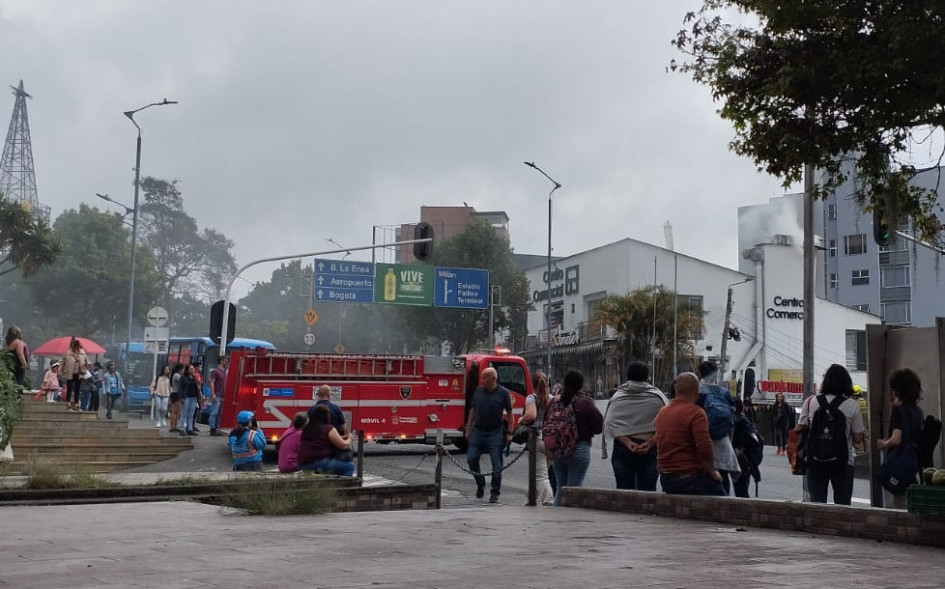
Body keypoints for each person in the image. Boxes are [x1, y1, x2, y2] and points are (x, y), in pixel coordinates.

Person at [796, 364, 865, 505]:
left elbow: (799, 430)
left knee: (817, 505)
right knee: (843, 506)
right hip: (843, 462)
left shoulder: (810, 402)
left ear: (825, 381)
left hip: (815, 461)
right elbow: (858, 438)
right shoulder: (852, 405)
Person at [652, 372, 726, 496]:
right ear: (696, 391)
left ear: (676, 390)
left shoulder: (662, 413)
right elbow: (704, 446)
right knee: (723, 500)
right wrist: (712, 472)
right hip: (691, 477)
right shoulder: (696, 413)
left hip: (667, 479)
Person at [601, 361, 668, 491]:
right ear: (647, 377)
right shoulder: (658, 397)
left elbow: (610, 423)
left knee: (624, 493)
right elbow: (667, 425)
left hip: (623, 450)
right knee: (647, 493)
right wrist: (650, 443)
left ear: (627, 376)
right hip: (650, 450)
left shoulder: (617, 398)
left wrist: (627, 442)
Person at [549, 369, 603, 506]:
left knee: (560, 490)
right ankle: (568, 519)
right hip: (579, 448)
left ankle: (555, 517)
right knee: (573, 492)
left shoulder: (555, 401)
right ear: (581, 385)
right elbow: (598, 427)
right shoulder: (585, 402)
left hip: (558, 450)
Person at [875, 368, 924, 509]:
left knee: (899, 506)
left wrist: (884, 443)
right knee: (911, 504)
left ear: (896, 390)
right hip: (914, 465)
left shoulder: (898, 410)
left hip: (900, 466)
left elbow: (896, 439)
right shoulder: (918, 411)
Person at [464, 366, 514, 503]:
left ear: (493, 379)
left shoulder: (503, 393)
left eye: (485, 378)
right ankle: (480, 482)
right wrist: (468, 428)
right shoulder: (478, 391)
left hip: (495, 432)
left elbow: (510, 414)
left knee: (496, 464)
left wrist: (510, 432)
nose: (482, 380)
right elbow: (473, 410)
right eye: (481, 377)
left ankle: (495, 492)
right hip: (478, 431)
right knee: (471, 459)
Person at [696, 360, 741, 495]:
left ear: (700, 374)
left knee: (702, 474)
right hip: (722, 439)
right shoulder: (724, 393)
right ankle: (724, 499)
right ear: (715, 374)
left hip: (702, 437)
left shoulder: (696, 392)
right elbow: (732, 418)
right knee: (723, 474)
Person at [517, 371, 554, 506]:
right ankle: (530, 498)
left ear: (532, 384)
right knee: (541, 471)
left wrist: (521, 419)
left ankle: (548, 501)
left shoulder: (532, 398)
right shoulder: (553, 399)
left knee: (540, 475)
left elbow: (531, 415)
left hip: (537, 437)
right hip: (551, 438)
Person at [299, 405, 355, 476]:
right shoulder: (328, 428)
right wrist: (350, 438)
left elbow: (320, 439)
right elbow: (343, 445)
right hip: (318, 463)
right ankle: (344, 482)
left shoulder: (307, 429)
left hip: (303, 465)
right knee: (349, 467)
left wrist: (342, 437)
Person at [732, 397, 764, 498]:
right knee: (741, 487)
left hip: (743, 458)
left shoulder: (737, 420)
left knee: (741, 488)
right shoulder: (743, 420)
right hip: (749, 458)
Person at [60, 337, 87, 413]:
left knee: (77, 389)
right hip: (70, 372)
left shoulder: (82, 353)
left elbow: (86, 361)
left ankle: (76, 404)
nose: (75, 347)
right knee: (69, 388)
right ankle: (68, 403)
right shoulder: (68, 353)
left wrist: (86, 367)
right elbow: (62, 362)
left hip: (79, 373)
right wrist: (61, 371)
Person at [178, 364, 201, 435]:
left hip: (193, 397)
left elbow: (197, 387)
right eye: (191, 369)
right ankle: (181, 428)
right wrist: (181, 397)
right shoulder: (183, 377)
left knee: (191, 413)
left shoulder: (194, 377)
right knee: (184, 413)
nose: (192, 370)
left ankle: (190, 428)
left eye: (193, 369)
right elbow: (180, 388)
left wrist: (199, 396)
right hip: (186, 397)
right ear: (187, 370)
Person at [208, 356, 228, 436]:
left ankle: (216, 427)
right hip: (217, 394)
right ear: (221, 361)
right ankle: (212, 428)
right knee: (214, 412)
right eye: (225, 360)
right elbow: (212, 382)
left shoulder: (224, 372)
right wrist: (213, 393)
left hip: (223, 395)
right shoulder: (215, 371)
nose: (226, 362)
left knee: (219, 413)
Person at [151, 364, 172, 428]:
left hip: (166, 395)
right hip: (157, 394)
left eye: (168, 369)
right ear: (163, 370)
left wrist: (171, 393)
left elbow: (170, 387)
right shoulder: (157, 377)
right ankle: (158, 421)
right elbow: (153, 385)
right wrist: (152, 392)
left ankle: (163, 418)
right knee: (158, 407)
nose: (167, 370)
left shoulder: (169, 378)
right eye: (166, 369)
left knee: (164, 408)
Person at [168, 363, 183, 433]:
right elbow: (182, 381)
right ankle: (173, 426)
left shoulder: (176, 375)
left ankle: (175, 426)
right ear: (180, 369)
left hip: (176, 394)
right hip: (175, 394)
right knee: (175, 411)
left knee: (177, 412)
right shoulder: (177, 375)